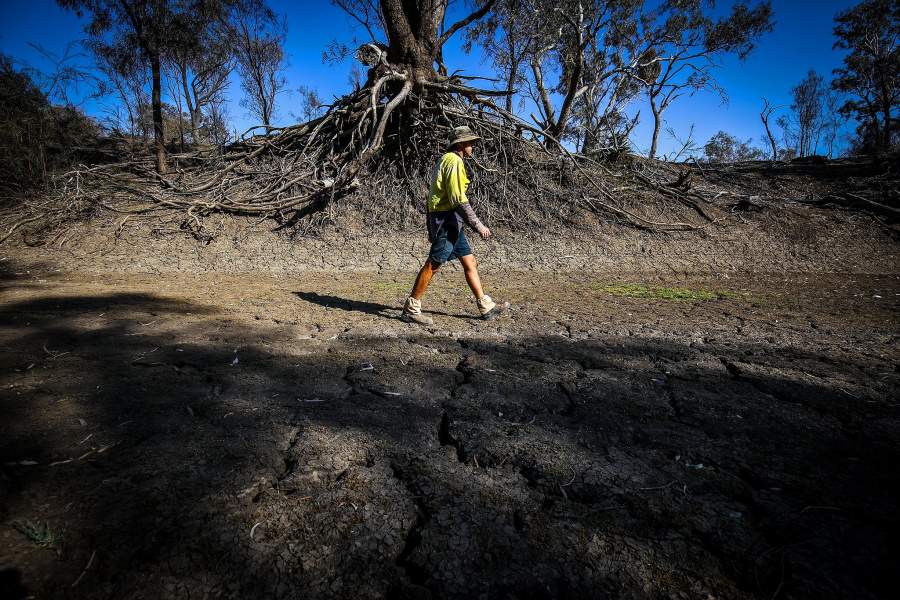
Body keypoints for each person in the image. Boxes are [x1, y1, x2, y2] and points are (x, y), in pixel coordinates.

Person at [401, 125, 504, 325]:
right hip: (448, 221)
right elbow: (458, 199)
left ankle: (485, 305)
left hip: (452, 221)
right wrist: (478, 225)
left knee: (469, 262)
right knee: (433, 264)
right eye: (470, 143)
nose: (472, 147)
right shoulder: (454, 161)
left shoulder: (446, 159)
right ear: (461, 144)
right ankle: (411, 309)